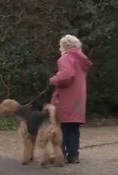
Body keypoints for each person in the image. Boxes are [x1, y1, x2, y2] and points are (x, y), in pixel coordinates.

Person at [49, 34, 92, 163]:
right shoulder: (81, 60)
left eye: (60, 45)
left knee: (63, 128)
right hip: (78, 99)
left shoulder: (65, 58)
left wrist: (53, 79)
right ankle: (73, 155)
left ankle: (61, 156)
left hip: (66, 98)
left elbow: (67, 75)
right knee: (73, 128)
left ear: (65, 45)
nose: (59, 48)